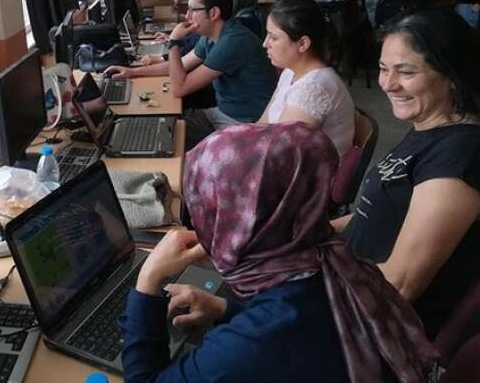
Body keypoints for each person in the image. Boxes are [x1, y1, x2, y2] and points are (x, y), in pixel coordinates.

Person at [119, 122, 438, 383]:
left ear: (236, 222)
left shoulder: (250, 346)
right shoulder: (334, 261)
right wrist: (225, 309)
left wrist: (148, 280)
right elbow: (297, 333)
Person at [333, 9, 480, 338]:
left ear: (453, 75)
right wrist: (312, 233)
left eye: (406, 72)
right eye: (383, 68)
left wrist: (308, 299)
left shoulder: (461, 155)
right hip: (350, 284)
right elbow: (379, 213)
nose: (387, 84)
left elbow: (399, 285)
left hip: (374, 326)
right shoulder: (427, 126)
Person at [105, 0, 276, 149]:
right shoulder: (211, 36)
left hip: (242, 124)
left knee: (158, 137)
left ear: (214, 13)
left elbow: (180, 88)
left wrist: (173, 43)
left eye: (193, 10)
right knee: (157, 128)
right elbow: (181, 64)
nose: (187, 16)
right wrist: (132, 72)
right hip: (223, 112)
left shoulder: (232, 42)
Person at [258, 0, 355, 158]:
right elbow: (262, 124)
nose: (265, 43)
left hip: (308, 172)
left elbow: (280, 154)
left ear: (303, 43)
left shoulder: (315, 88)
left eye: (273, 38)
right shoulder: (290, 72)